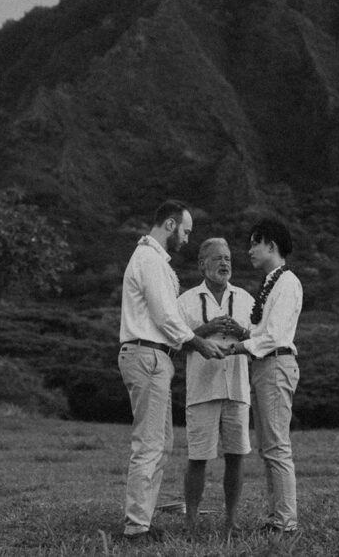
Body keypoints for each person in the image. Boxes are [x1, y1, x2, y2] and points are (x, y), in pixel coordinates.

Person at [117, 200, 225, 542]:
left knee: (161, 443)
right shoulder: (149, 259)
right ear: (169, 224)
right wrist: (199, 343)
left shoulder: (153, 260)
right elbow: (165, 316)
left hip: (155, 356)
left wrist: (199, 333)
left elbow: (169, 318)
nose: (187, 239)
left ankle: (143, 520)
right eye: (186, 231)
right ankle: (136, 528)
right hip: (146, 354)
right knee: (149, 443)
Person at [225, 218, 303, 533]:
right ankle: (278, 517)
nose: (249, 250)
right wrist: (244, 332)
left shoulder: (286, 282)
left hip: (274, 365)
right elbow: (264, 331)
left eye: (254, 243)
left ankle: (285, 521)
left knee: (276, 447)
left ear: (270, 244)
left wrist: (237, 347)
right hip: (265, 366)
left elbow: (274, 336)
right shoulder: (273, 281)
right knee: (269, 447)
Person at [176, 238, 255, 538]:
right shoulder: (185, 301)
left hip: (237, 388)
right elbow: (175, 343)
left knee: (236, 455)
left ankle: (231, 520)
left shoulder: (246, 299)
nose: (225, 264)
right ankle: (190, 522)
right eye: (218, 258)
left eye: (228, 259)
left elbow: (259, 342)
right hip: (202, 390)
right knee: (198, 457)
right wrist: (204, 332)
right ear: (202, 264)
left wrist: (242, 333)